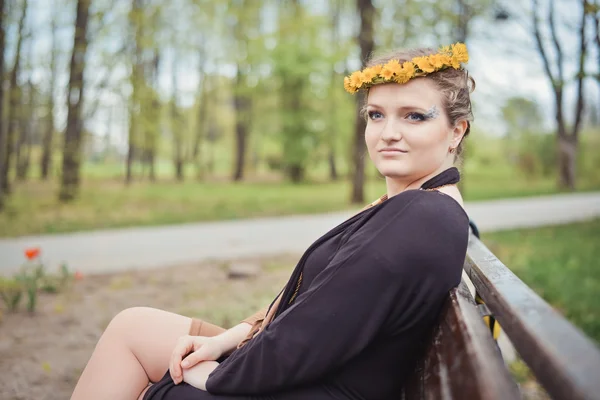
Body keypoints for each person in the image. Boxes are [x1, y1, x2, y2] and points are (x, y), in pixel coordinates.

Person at [71, 43, 474, 400]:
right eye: (376, 115)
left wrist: (213, 377)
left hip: (319, 386)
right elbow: (319, 310)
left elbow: (312, 334)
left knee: (138, 349)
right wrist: (236, 335)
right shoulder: (413, 205)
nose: (388, 133)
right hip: (318, 372)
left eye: (413, 117)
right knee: (133, 326)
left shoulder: (422, 216)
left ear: (456, 131)